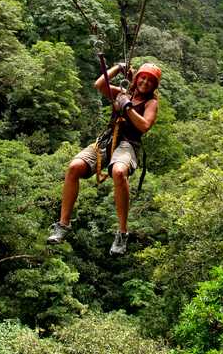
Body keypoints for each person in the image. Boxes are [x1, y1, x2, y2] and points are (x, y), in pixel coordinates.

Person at [47, 62, 161, 255]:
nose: (145, 82)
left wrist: (128, 107)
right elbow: (99, 84)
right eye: (143, 77)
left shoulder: (151, 103)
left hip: (128, 144)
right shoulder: (123, 93)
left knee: (118, 171)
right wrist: (118, 68)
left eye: (150, 81)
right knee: (74, 166)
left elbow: (144, 126)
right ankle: (63, 224)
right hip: (107, 140)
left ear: (154, 86)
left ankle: (122, 233)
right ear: (136, 78)